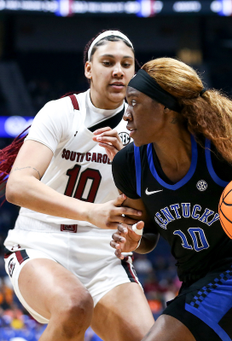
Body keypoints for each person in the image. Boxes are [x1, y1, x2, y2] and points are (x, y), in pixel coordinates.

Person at [109, 57, 232, 341]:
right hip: (194, 279)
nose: (126, 115)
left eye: (134, 102)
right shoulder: (129, 165)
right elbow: (146, 233)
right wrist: (135, 241)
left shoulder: (218, 147)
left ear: (165, 107)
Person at [2, 30, 154, 341]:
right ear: (88, 69)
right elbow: (17, 186)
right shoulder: (61, 112)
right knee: (74, 305)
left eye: (127, 64)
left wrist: (134, 235)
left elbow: (143, 211)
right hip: (41, 242)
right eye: (108, 62)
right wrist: (90, 213)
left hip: (103, 252)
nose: (118, 70)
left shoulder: (144, 128)